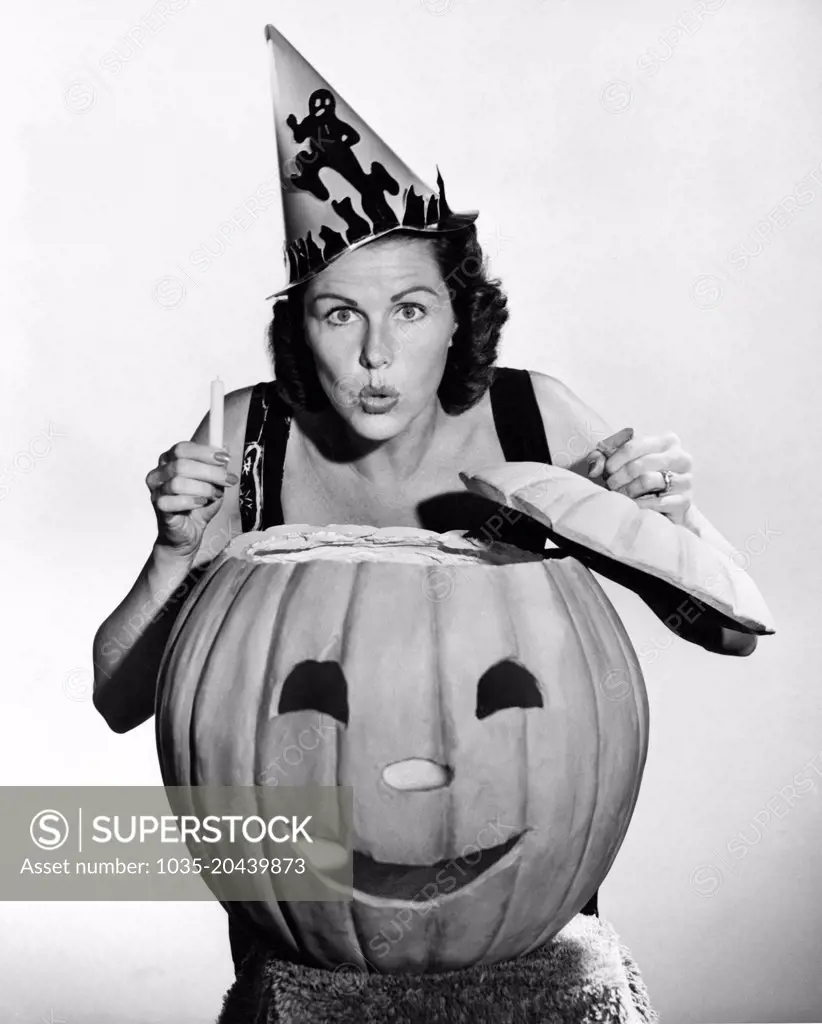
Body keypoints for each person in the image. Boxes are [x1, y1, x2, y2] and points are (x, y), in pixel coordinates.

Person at [91, 22, 758, 986]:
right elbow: (118, 699)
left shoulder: (536, 419)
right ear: (301, 329)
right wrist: (173, 554)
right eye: (339, 313)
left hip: (511, 881)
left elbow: (732, 633)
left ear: (458, 316)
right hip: (315, 892)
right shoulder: (246, 440)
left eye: (408, 310)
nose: (375, 356)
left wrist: (671, 524)